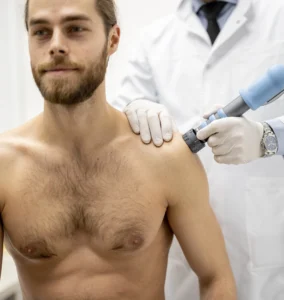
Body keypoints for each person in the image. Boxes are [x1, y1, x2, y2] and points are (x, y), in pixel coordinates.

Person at [0, 0, 237, 299]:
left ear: (112, 39)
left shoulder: (165, 158)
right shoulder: (4, 166)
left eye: (75, 29)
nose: (56, 45)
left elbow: (217, 278)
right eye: (41, 32)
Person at [112, 0, 284, 299]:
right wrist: (133, 111)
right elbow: (118, 134)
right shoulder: (153, 41)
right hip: (186, 267)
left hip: (275, 268)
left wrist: (268, 137)